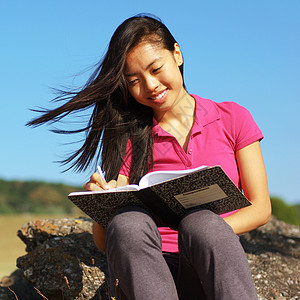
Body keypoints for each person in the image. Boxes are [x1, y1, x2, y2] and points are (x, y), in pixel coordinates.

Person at [28, 14, 271, 300]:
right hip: (147, 271)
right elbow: (105, 242)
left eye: (156, 69)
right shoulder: (130, 138)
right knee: (127, 221)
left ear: (177, 54)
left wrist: (203, 233)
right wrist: (104, 205)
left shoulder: (232, 118)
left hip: (206, 264)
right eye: (134, 81)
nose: (150, 85)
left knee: (200, 223)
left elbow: (261, 208)